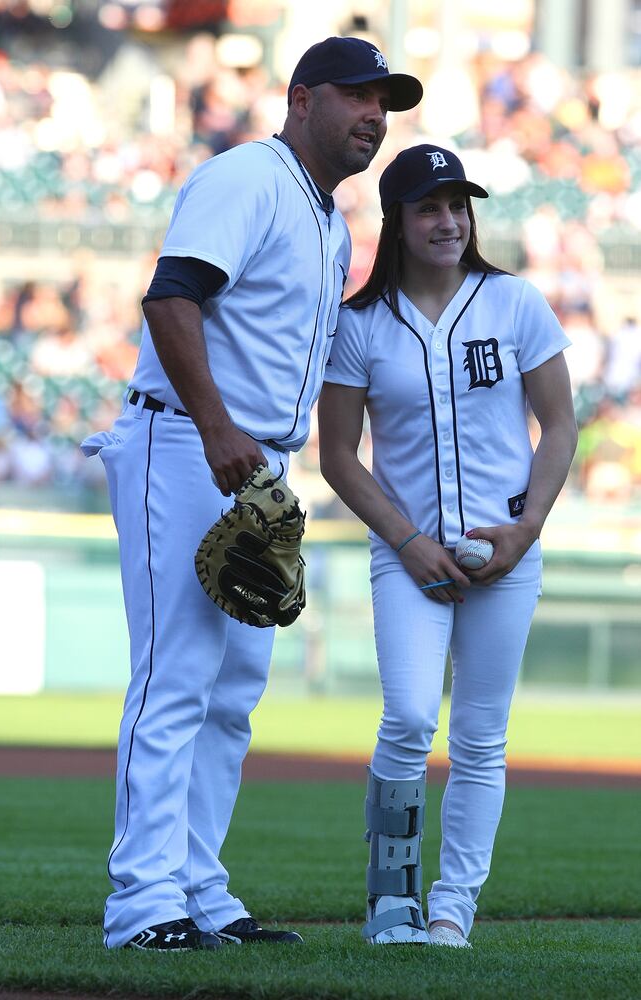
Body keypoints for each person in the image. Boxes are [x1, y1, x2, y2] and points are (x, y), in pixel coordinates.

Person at [81, 38, 422, 952]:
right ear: (301, 98)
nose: (373, 115)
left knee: (232, 692)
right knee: (177, 677)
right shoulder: (248, 177)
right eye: (356, 95)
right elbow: (170, 299)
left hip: (254, 461)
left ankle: (200, 889)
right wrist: (216, 428)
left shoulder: (330, 220)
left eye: (384, 102)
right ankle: (142, 903)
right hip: (186, 443)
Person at [318, 144, 577, 948]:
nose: (448, 221)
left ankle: (451, 907)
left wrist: (526, 529)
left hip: (505, 552)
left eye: (458, 206)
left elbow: (560, 426)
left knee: (479, 738)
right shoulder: (358, 323)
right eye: (428, 207)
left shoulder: (514, 301)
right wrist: (404, 541)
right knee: (405, 717)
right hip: (408, 556)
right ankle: (390, 900)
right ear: (396, 221)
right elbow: (337, 458)